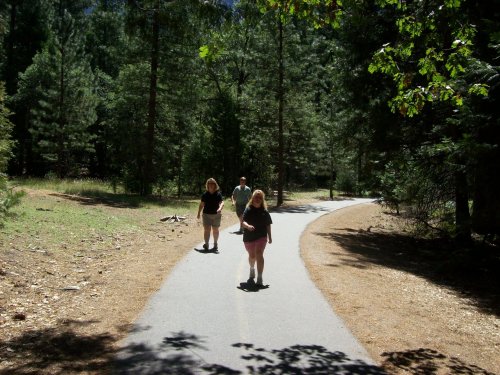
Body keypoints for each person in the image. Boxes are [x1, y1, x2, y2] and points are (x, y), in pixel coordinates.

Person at [242, 189, 272, 286]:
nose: (258, 199)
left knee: (259, 253)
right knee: (252, 256)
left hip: (261, 236)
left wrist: (270, 236)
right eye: (256, 197)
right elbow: (243, 222)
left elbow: (268, 224)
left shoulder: (264, 211)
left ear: (262, 199)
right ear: (252, 198)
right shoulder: (248, 209)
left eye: (260, 197)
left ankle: (260, 277)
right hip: (249, 237)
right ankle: (252, 268)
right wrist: (247, 226)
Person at [197, 178, 224, 251]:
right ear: (207, 185)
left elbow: (222, 203)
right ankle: (206, 244)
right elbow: (202, 204)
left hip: (216, 215)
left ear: (215, 185)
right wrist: (199, 213)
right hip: (206, 215)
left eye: (213, 183)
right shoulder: (205, 194)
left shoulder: (218, 194)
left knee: (215, 230)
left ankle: (215, 244)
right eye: (210, 183)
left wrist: (220, 208)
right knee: (207, 230)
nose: (211, 185)